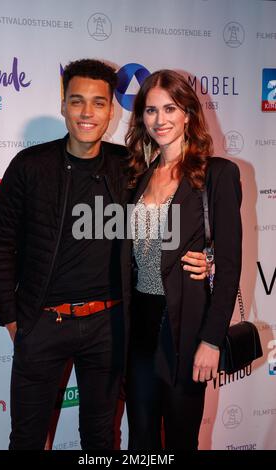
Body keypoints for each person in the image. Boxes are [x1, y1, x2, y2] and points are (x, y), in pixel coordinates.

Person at [0, 59, 208, 450]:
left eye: (99, 103)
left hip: (108, 327)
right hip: (42, 323)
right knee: (26, 438)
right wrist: (12, 318)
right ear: (63, 105)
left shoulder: (129, 167)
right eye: (77, 101)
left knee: (102, 439)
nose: (87, 113)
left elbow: (171, 217)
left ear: (111, 110)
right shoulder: (30, 166)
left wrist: (209, 256)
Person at [123, 69, 242, 450]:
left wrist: (210, 340)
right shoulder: (136, 174)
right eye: (151, 110)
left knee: (180, 440)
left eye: (170, 108)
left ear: (188, 113)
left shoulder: (218, 175)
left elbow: (230, 266)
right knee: (140, 439)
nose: (160, 120)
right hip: (138, 327)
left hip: (186, 330)